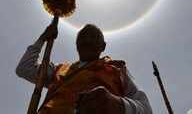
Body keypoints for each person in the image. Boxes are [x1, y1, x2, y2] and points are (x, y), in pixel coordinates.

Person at [15, 22, 153, 114]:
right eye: (82, 37)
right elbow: (24, 68)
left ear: (103, 46)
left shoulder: (116, 69)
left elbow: (146, 109)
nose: (87, 40)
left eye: (93, 37)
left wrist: (118, 104)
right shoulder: (59, 70)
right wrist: (42, 38)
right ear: (76, 44)